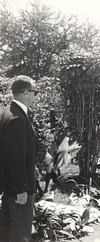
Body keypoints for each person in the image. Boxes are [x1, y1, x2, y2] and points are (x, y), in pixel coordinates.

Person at [0, 75, 38, 242]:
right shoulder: (17, 119)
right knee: (20, 232)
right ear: (25, 92)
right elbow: (15, 158)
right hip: (19, 188)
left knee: (6, 229)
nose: (35, 96)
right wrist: (21, 188)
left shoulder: (6, 112)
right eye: (34, 92)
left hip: (9, 184)